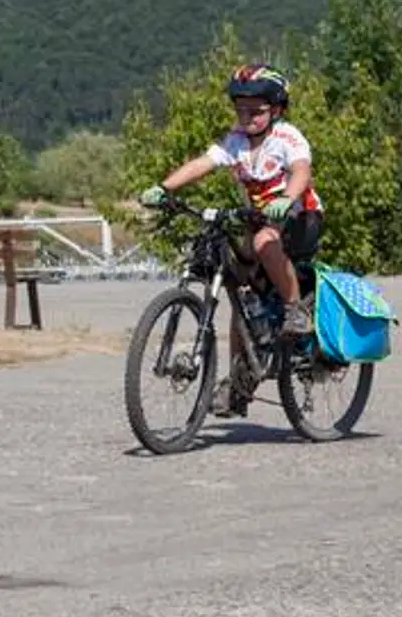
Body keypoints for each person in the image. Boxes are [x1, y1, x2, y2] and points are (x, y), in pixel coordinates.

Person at [138, 63, 324, 412]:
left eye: (257, 110)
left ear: (278, 109)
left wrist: (286, 198)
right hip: (259, 220)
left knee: (263, 242)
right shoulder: (236, 141)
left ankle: (296, 310)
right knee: (241, 298)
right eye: (241, 110)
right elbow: (202, 164)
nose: (248, 116)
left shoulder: (288, 137)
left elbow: (301, 171)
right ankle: (241, 381)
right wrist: (164, 189)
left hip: (300, 217)